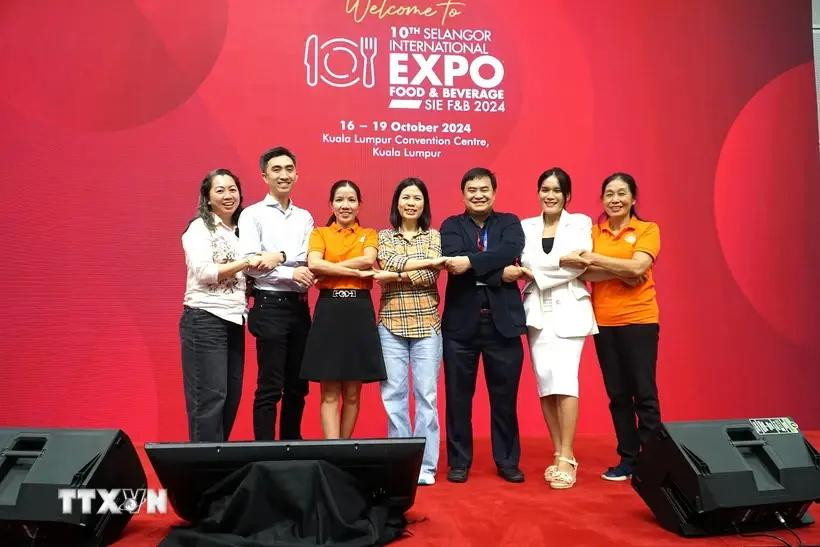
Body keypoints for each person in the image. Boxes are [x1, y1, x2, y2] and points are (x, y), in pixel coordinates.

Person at [505, 167, 597, 489]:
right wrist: (558, 261)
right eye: (545, 189)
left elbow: (579, 265)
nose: (550, 195)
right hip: (536, 313)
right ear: (538, 193)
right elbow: (526, 263)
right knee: (546, 383)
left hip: (570, 308)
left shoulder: (580, 222)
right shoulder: (525, 226)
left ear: (567, 195)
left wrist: (539, 269)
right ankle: (558, 451)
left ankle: (568, 456)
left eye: (557, 190)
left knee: (566, 381)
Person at [440, 167, 527, 484]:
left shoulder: (510, 223)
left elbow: (510, 250)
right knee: (457, 398)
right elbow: (454, 261)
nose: (479, 195)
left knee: (505, 399)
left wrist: (472, 263)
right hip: (460, 327)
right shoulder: (451, 225)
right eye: (472, 190)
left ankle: (507, 460)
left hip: (502, 324)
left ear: (494, 192)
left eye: (484, 189)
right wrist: (500, 272)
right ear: (463, 194)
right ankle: (459, 461)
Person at [580, 172, 661, 481]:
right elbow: (584, 272)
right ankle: (628, 459)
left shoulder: (647, 229)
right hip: (604, 322)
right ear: (602, 199)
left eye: (621, 193)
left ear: (633, 198)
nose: (615, 199)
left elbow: (640, 266)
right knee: (618, 394)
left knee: (644, 394)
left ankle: (652, 461)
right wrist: (623, 271)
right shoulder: (594, 232)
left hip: (640, 320)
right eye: (609, 194)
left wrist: (598, 260)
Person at [374, 178, 447, 486]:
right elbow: (388, 261)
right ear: (397, 203)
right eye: (406, 197)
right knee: (393, 396)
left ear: (424, 204)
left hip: (427, 324)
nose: (411, 203)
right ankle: (400, 464)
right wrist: (426, 265)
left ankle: (425, 466)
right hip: (391, 324)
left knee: (427, 397)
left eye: (417, 198)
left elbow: (430, 276)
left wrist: (394, 276)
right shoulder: (383, 236)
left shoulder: (434, 235)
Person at [238, 147, 315, 441]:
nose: (284, 175)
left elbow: (306, 257)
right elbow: (251, 263)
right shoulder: (252, 215)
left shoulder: (304, 217)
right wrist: (289, 270)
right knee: (270, 385)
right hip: (269, 305)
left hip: (299, 307)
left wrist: (278, 256)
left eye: (289, 169)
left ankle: (291, 444)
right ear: (264, 176)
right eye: (276, 169)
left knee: (298, 385)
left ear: (297, 174)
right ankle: (265, 450)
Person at [180, 168, 262, 442]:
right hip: (205, 318)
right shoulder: (199, 228)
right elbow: (205, 272)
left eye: (233, 189)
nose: (228, 195)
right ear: (207, 197)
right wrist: (247, 262)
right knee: (209, 398)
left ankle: (217, 457)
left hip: (235, 319)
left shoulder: (242, 232)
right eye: (220, 190)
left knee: (230, 396)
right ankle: (203, 464)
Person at [301, 180, 386, 439]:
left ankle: (345, 449)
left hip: (359, 311)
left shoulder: (369, 233)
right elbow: (314, 264)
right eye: (339, 200)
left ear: (359, 204)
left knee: (352, 393)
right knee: (329, 393)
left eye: (351, 200)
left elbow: (368, 260)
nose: (345, 205)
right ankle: (332, 449)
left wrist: (330, 269)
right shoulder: (320, 233)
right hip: (329, 311)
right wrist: (354, 272)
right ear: (331, 204)